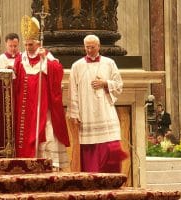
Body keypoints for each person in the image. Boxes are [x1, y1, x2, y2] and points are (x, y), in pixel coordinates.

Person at [12, 16, 70, 169]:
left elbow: (58, 71)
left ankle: (50, 164)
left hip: (43, 106)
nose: (28, 47)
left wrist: (47, 63)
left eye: (30, 44)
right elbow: (15, 80)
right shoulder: (20, 59)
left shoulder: (47, 55)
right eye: (26, 44)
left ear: (38, 43)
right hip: (26, 108)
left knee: (47, 132)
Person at [67, 34, 127, 173]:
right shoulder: (77, 66)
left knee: (110, 143)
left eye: (92, 47)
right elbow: (73, 91)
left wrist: (105, 83)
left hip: (105, 111)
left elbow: (119, 85)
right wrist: (75, 113)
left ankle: (113, 179)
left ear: (99, 46)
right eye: (87, 47)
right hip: (87, 113)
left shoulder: (109, 63)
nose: (89, 50)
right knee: (90, 148)